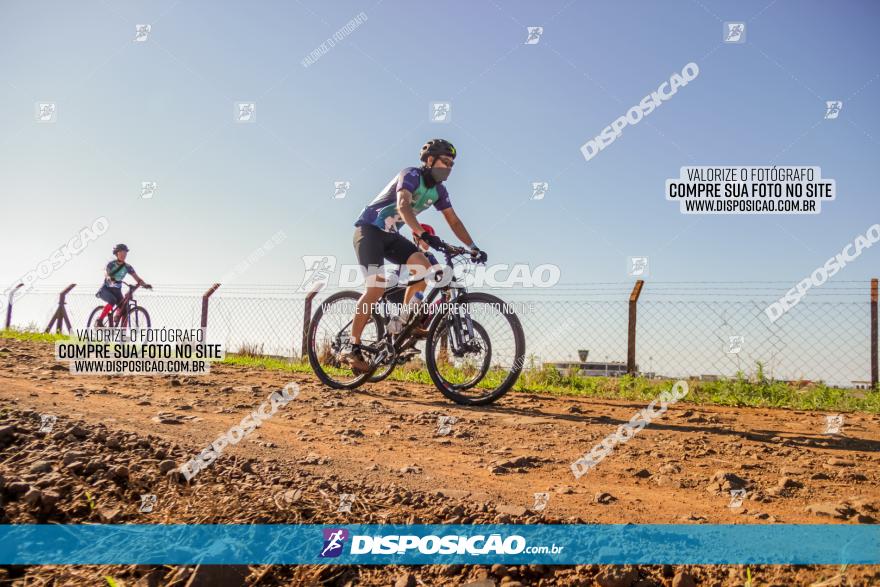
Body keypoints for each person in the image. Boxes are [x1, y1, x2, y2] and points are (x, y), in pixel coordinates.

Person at [342, 139, 487, 373]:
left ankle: (401, 322)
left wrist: (473, 246)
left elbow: (454, 220)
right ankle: (352, 345)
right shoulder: (410, 174)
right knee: (376, 288)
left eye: (452, 165)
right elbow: (403, 206)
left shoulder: (439, 191)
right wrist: (421, 233)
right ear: (430, 161)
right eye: (445, 162)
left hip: (389, 236)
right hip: (368, 231)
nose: (448, 168)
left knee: (424, 268)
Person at [95, 244, 152, 325]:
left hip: (117, 291)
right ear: (117, 253)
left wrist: (145, 285)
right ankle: (99, 321)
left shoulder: (128, 267)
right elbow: (106, 273)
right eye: (121, 252)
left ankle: (123, 334)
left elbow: (137, 278)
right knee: (112, 300)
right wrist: (109, 278)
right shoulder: (111, 264)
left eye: (125, 253)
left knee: (125, 310)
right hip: (106, 289)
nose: (123, 254)